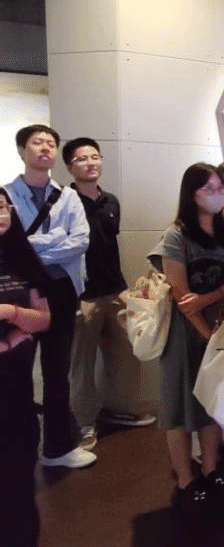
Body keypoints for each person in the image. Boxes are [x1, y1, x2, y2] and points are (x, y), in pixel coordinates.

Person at [148, 163, 224, 516]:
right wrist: (208, 335)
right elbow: (181, 296)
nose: (219, 194)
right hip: (184, 333)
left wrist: (210, 299)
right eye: (209, 189)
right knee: (178, 408)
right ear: (192, 194)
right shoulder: (176, 235)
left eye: (221, 187)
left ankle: (211, 469)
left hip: (221, 326)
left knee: (211, 404)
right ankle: (186, 480)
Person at [5, 124, 94, 468]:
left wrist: (31, 249)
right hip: (21, 294)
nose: (45, 148)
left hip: (61, 291)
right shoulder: (5, 195)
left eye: (50, 143)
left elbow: (80, 241)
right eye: (37, 142)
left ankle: (57, 448)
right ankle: (19, 448)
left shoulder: (68, 196)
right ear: (22, 150)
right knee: (16, 371)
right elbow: (7, 246)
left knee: (58, 371)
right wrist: (54, 239)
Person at [63, 137, 155, 452]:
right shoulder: (64, 203)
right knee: (82, 364)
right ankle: (84, 423)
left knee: (126, 356)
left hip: (116, 290)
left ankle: (119, 409)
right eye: (81, 159)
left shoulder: (111, 201)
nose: (90, 163)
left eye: (95, 156)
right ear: (70, 167)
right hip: (82, 296)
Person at [0, 188, 52, 547]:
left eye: (1, 206)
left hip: (18, 389)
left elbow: (44, 319)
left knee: (20, 479)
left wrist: (10, 312)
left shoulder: (23, 258)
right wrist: (8, 341)